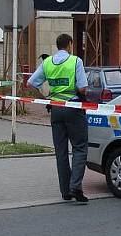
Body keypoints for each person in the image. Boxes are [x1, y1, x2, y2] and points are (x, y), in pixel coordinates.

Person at [28, 34, 90, 204]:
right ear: (70, 44)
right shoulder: (75, 61)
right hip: (73, 107)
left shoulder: (47, 62)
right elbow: (83, 88)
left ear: (57, 46)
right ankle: (76, 186)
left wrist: (46, 96)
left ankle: (65, 191)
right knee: (79, 148)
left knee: (61, 151)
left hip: (55, 109)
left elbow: (30, 83)